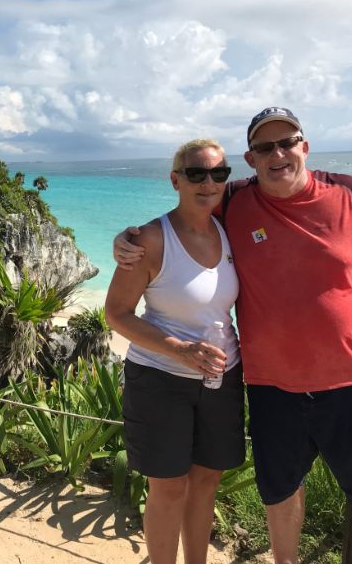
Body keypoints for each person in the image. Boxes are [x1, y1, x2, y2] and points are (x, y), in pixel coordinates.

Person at [114, 107, 352, 564]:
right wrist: (128, 238)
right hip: (272, 387)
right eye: (265, 147)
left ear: (305, 145)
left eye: (288, 142)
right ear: (251, 158)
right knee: (281, 490)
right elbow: (182, 219)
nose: (278, 153)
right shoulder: (234, 200)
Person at [106, 139, 245, 564]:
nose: (208, 182)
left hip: (221, 378)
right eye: (196, 174)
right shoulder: (150, 239)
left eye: (218, 173)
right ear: (175, 180)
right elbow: (116, 313)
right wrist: (179, 350)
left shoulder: (229, 227)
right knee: (167, 487)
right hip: (160, 380)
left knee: (206, 483)